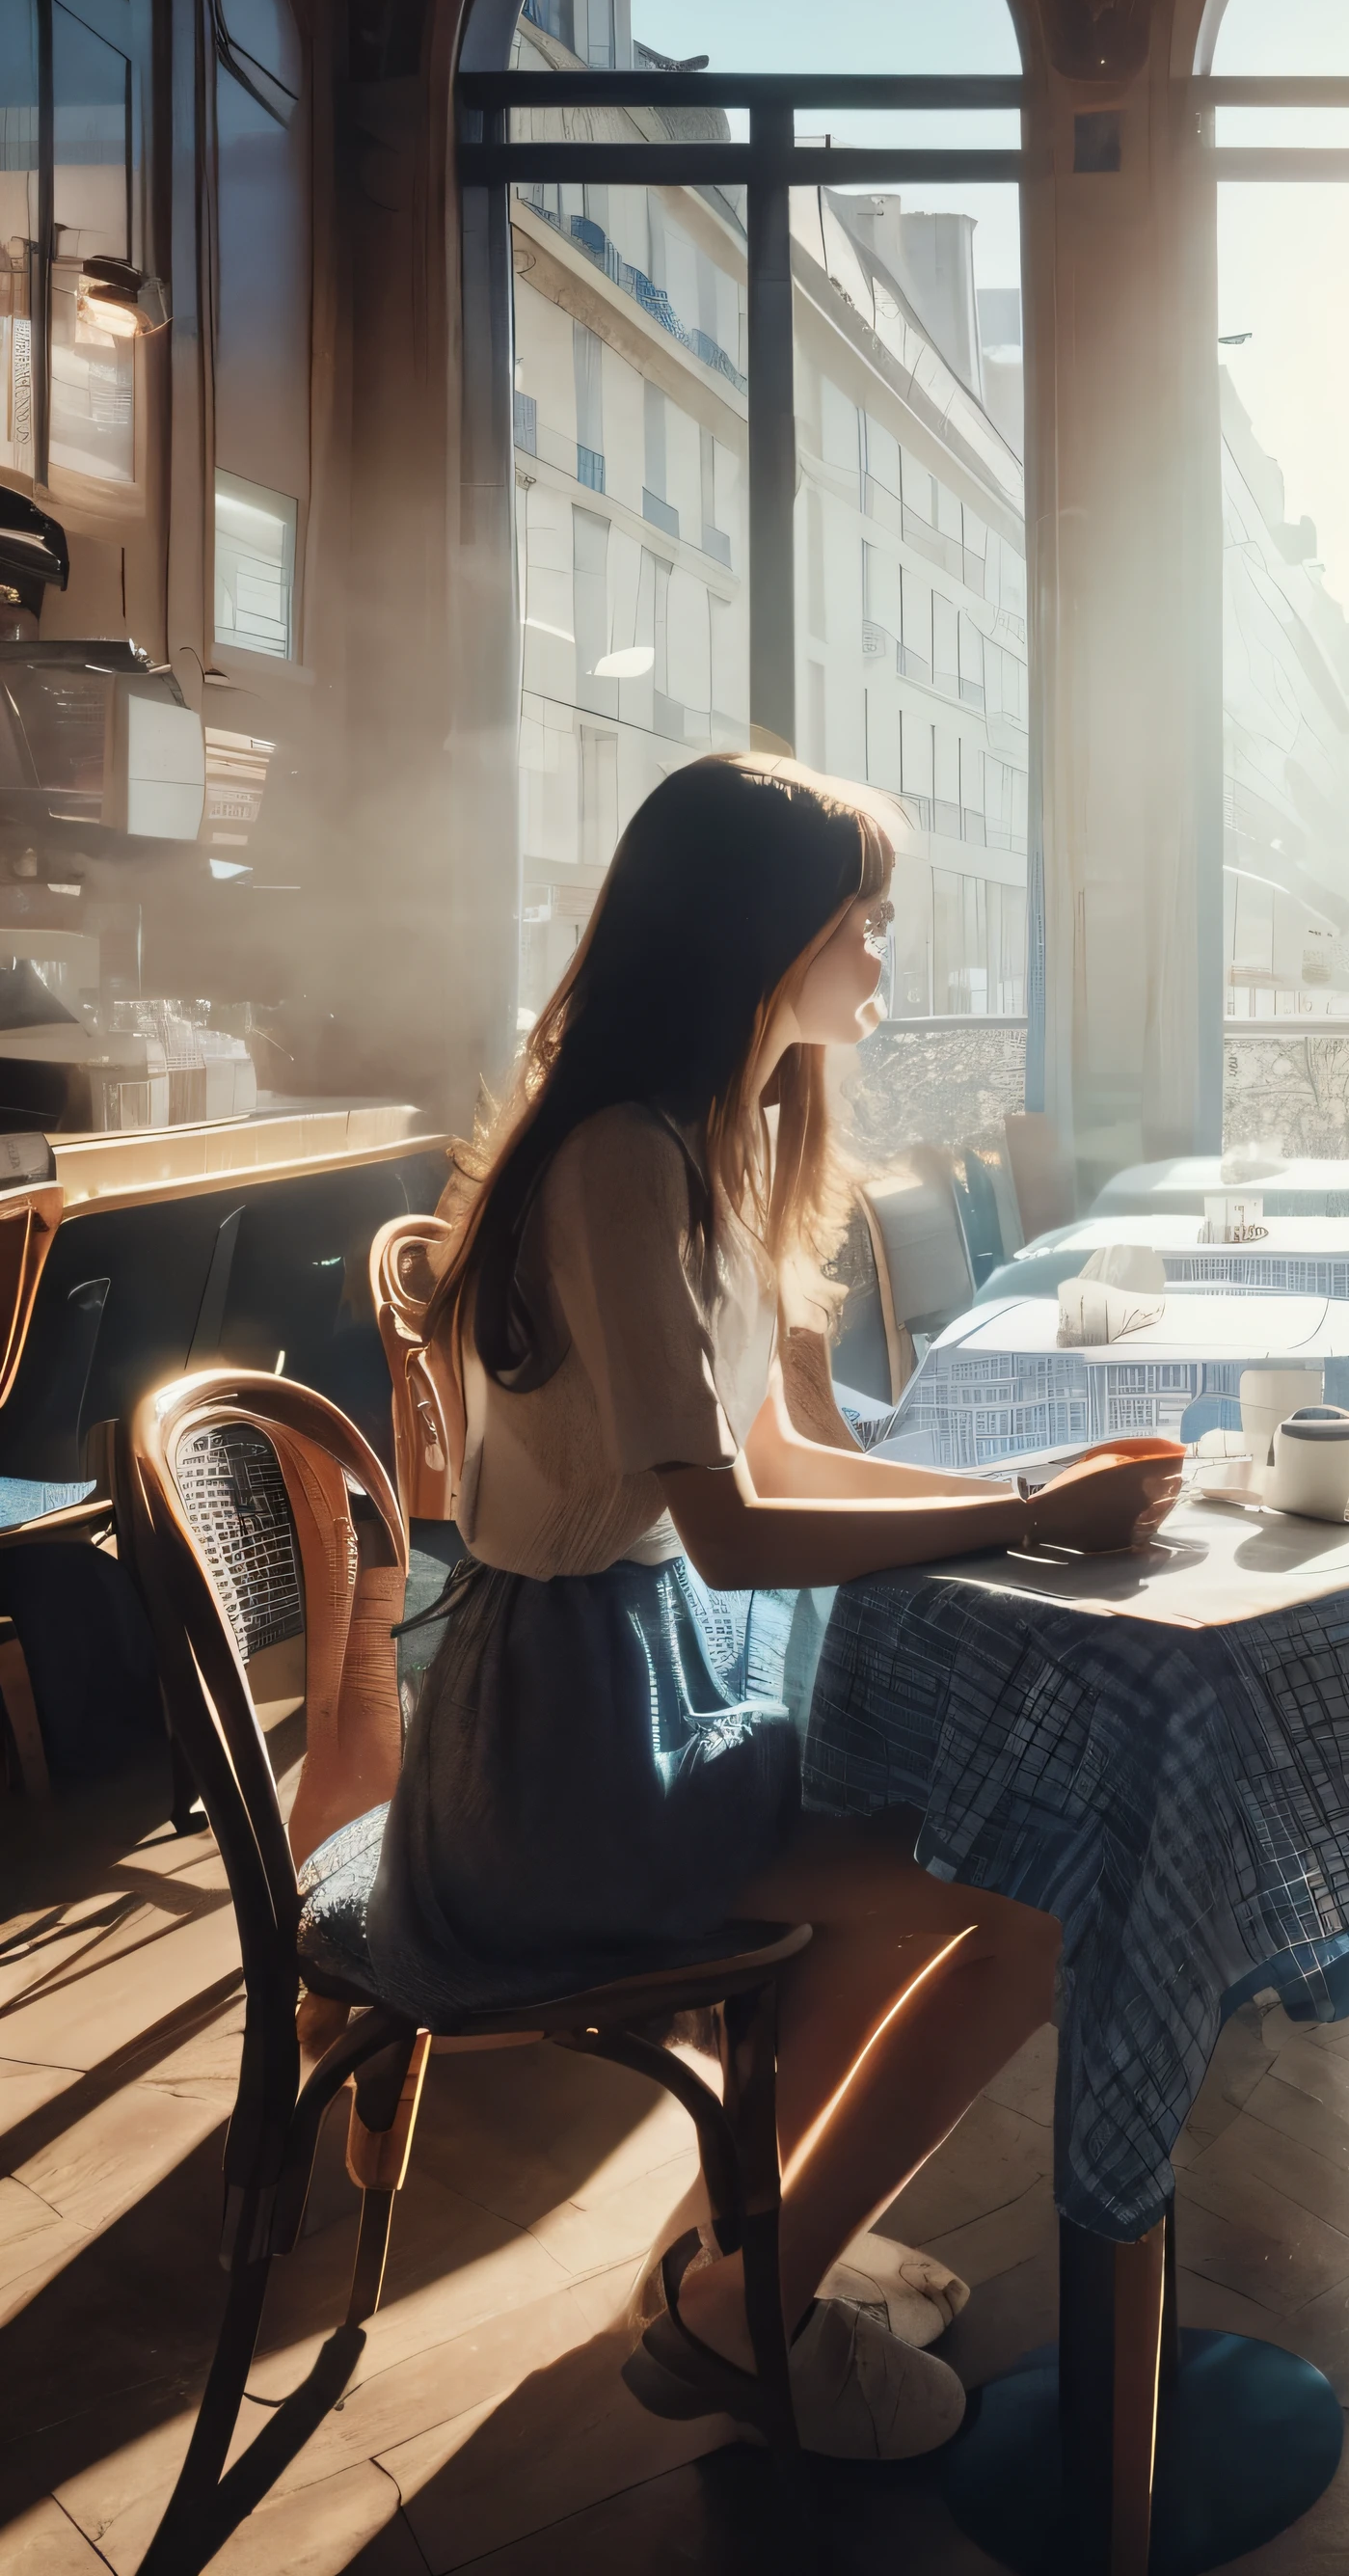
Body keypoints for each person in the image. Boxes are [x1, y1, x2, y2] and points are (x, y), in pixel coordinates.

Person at [362, 753, 1177, 2458]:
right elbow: (734, 1537)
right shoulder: (614, 1165)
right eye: (863, 924)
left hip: (637, 1696)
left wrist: (1040, 1508)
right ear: (763, 938)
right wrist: (1030, 1510)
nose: (882, 956)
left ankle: (731, 2256)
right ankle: (747, 2303)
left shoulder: (703, 1146)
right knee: (1029, 1902)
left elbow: (789, 1460)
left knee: (926, 1858)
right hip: (562, 1752)